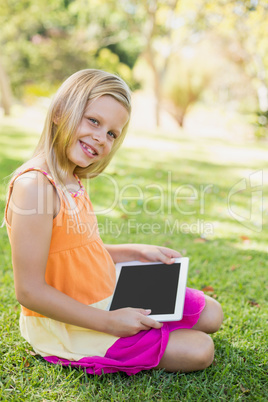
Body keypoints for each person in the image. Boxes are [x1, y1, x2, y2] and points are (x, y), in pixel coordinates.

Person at [4, 69, 223, 376]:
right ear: (58, 112)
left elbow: (77, 251)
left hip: (105, 288)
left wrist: (135, 253)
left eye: (111, 133)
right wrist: (110, 322)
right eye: (93, 121)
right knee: (199, 350)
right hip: (73, 318)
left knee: (212, 313)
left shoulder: (72, 177)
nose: (100, 138)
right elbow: (30, 291)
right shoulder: (35, 188)